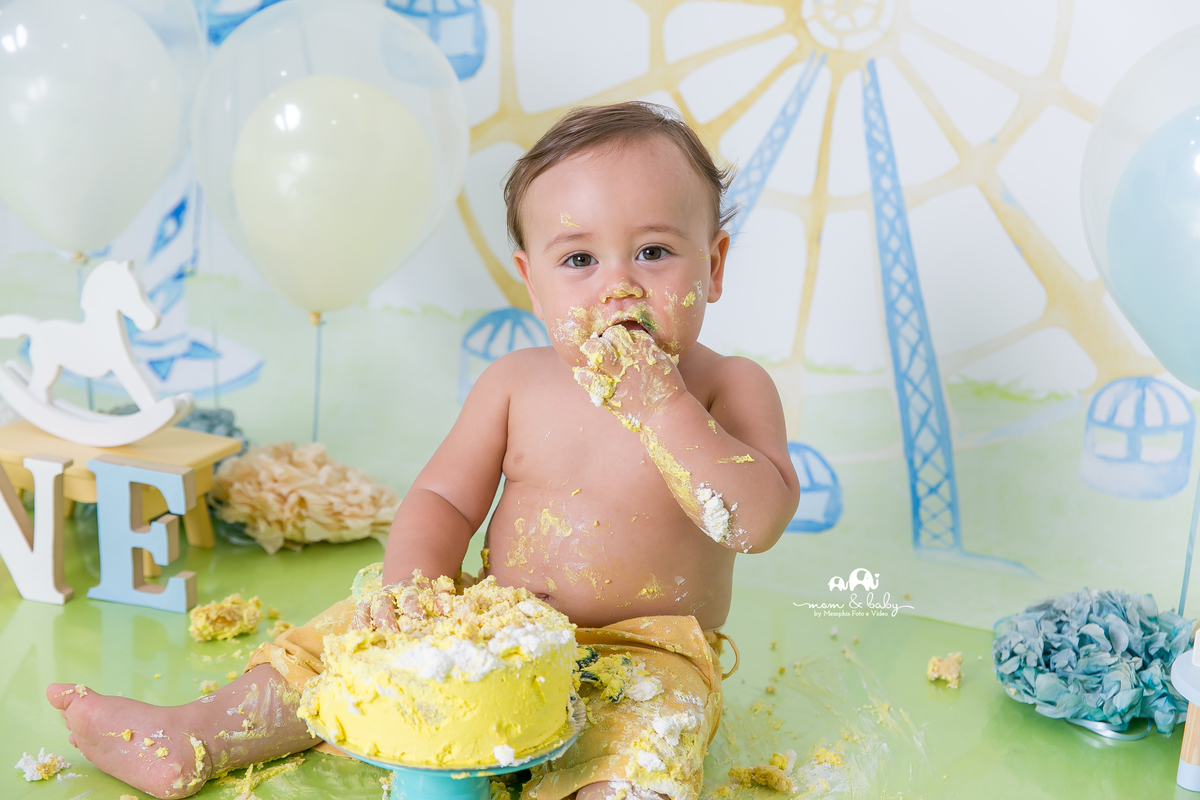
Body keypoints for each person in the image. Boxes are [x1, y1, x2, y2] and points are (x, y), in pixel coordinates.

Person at [47, 101, 801, 800]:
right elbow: (444, 498)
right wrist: (415, 590)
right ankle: (199, 731)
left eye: (655, 252)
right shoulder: (515, 382)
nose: (619, 289)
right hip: (493, 623)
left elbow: (756, 520)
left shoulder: (725, 389)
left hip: (648, 653)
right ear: (531, 282)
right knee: (336, 647)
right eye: (579, 261)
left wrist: (661, 406)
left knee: (644, 749)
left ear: (714, 266)